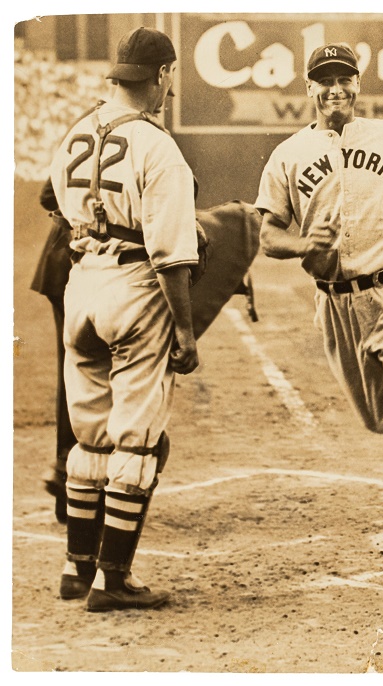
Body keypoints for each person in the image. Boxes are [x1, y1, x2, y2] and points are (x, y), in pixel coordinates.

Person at [255, 43, 383, 588]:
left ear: (356, 85)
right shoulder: (288, 155)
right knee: (378, 416)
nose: (335, 89)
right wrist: (302, 244)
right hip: (337, 304)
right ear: (309, 89)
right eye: (324, 80)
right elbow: (268, 234)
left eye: (344, 79)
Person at [48, 26, 200, 612]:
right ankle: (113, 578)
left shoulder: (74, 135)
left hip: (82, 284)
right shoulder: (158, 147)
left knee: (89, 435)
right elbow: (170, 255)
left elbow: (62, 213)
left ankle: (76, 565)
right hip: (135, 286)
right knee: (135, 441)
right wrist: (184, 331)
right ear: (161, 76)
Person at [30, 181, 76, 524]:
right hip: (79, 265)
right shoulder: (148, 137)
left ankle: (65, 470)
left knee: (73, 372)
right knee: (91, 373)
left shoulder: (82, 130)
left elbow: (49, 195)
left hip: (62, 262)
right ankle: (70, 473)